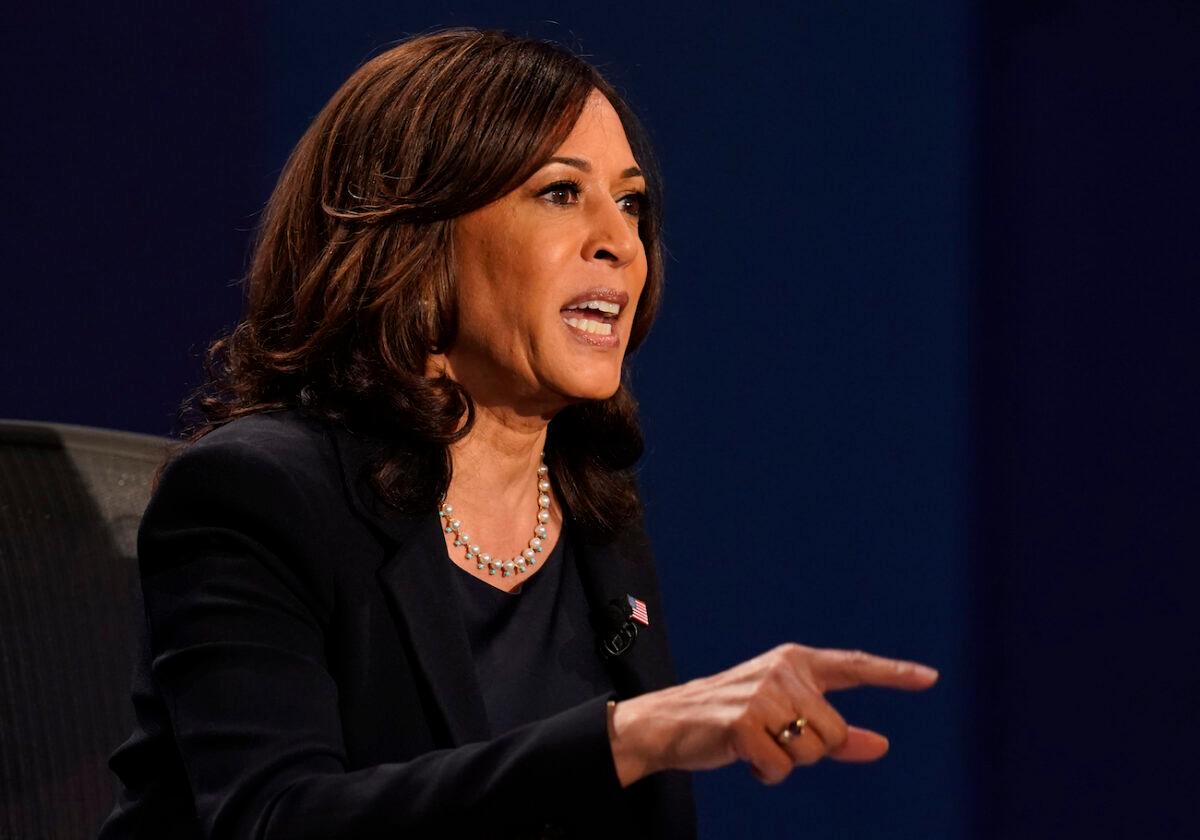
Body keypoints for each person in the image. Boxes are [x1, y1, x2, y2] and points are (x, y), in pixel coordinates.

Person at [98, 28, 938, 840]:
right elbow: (274, 818)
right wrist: (628, 736)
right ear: (417, 236)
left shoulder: (592, 503)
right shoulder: (258, 493)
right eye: (561, 192)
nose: (622, 243)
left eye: (632, 203)